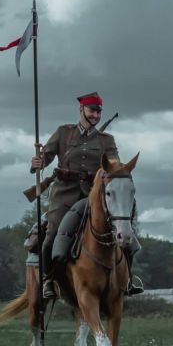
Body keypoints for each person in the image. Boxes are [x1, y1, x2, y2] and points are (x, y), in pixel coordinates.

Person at [30, 92, 144, 299]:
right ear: (81, 109)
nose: (96, 116)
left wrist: (118, 172)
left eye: (99, 112)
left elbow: (113, 164)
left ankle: (126, 279)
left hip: (93, 196)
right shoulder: (64, 133)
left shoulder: (106, 140)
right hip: (65, 193)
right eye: (92, 111)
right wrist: (38, 162)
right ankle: (49, 280)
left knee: (128, 237)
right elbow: (45, 155)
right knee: (52, 233)